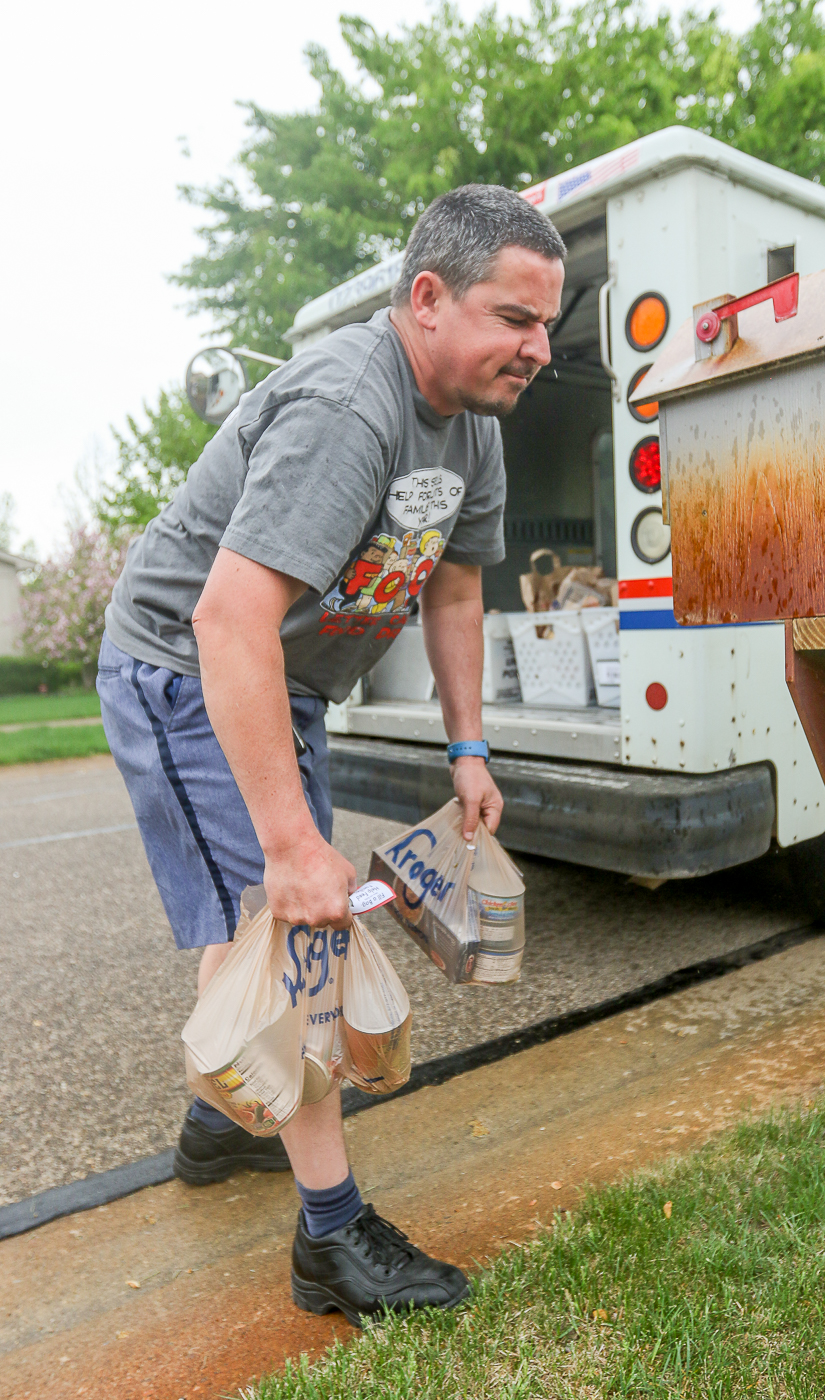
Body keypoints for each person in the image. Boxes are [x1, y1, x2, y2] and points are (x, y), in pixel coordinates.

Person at [97, 183, 566, 1328]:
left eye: (547, 323)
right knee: (298, 922)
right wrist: (292, 843)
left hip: (285, 677)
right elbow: (227, 621)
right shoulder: (350, 405)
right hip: (187, 666)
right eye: (515, 318)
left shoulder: (474, 424)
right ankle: (332, 1236)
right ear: (427, 298)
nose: (541, 349)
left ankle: (220, 1121)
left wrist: (468, 748)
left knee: (259, 928)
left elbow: (456, 590)